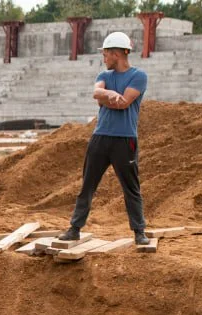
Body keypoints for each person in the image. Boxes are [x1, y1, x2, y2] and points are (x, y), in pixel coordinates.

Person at [58, 31, 149, 245]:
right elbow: (97, 94)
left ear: (117, 54)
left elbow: (124, 103)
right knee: (87, 185)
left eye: (106, 53)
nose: (104, 58)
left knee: (131, 188)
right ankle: (74, 228)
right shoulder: (104, 76)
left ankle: (139, 232)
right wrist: (110, 95)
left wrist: (108, 99)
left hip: (125, 139)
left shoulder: (139, 76)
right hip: (100, 137)